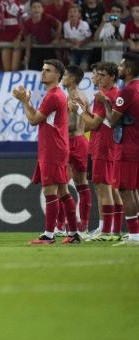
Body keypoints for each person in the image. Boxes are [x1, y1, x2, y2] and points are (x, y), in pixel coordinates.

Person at [12, 59, 80, 244]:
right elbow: (40, 118)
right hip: (56, 147)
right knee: (63, 192)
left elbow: (33, 120)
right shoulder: (55, 94)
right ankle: (73, 233)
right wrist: (27, 102)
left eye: (48, 70)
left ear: (57, 75)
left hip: (53, 149)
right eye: (42, 69)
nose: (43, 73)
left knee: (50, 192)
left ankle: (49, 235)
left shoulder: (53, 96)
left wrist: (24, 102)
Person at [72, 62, 124, 241]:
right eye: (97, 74)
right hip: (101, 145)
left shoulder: (107, 95)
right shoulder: (108, 95)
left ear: (112, 77)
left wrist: (79, 110)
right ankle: (113, 230)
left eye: (102, 75)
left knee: (105, 189)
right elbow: (94, 124)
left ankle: (107, 230)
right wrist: (86, 111)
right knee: (109, 188)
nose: (98, 78)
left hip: (104, 146)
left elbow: (93, 124)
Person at [105, 53, 139, 245]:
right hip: (136, 144)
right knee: (133, 190)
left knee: (125, 190)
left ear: (129, 69)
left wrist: (105, 104)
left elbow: (112, 120)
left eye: (121, 65)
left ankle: (134, 235)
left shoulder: (126, 91)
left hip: (127, 146)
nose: (119, 68)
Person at [61, 65, 91, 237]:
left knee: (65, 184)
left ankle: (68, 225)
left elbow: (73, 123)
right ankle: (81, 226)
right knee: (79, 184)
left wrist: (57, 126)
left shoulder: (74, 97)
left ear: (72, 78)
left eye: (65, 75)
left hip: (73, 141)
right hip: (79, 140)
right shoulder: (83, 96)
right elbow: (86, 122)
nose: (63, 78)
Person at [22, 0, 61, 70]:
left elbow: (59, 24)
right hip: (36, 48)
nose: (36, 9)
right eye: (34, 7)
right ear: (30, 10)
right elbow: (28, 39)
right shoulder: (28, 23)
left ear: (42, 9)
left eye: (39, 7)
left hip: (49, 48)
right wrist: (27, 55)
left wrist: (57, 38)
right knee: (34, 68)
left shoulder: (47, 18)